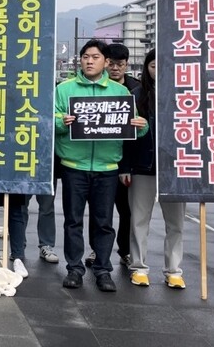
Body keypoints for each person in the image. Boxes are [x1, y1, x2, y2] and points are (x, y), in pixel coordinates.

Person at [56, 40, 147, 292]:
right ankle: (74, 268)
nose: (89, 61)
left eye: (95, 57)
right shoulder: (64, 89)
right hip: (74, 165)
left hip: (107, 168)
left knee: (104, 222)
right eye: (85, 56)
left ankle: (103, 270)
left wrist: (142, 127)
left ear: (105, 62)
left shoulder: (120, 94)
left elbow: (135, 129)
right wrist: (62, 122)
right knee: (73, 221)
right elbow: (51, 122)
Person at [119, 49, 186, 289]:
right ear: (147, 68)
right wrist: (124, 167)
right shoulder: (136, 96)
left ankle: (174, 270)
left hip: (176, 170)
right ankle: (138, 267)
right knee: (139, 220)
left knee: (176, 223)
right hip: (141, 167)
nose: (159, 71)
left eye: (164, 66)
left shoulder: (186, 96)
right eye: (154, 65)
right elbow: (125, 136)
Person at [84, 43, 140, 269]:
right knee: (99, 213)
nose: (116, 68)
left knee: (126, 211)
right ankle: (96, 251)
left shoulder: (135, 89)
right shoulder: (95, 86)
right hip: (99, 162)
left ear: (126, 65)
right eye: (112, 64)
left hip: (126, 162)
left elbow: (139, 130)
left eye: (121, 64)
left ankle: (125, 250)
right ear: (106, 63)